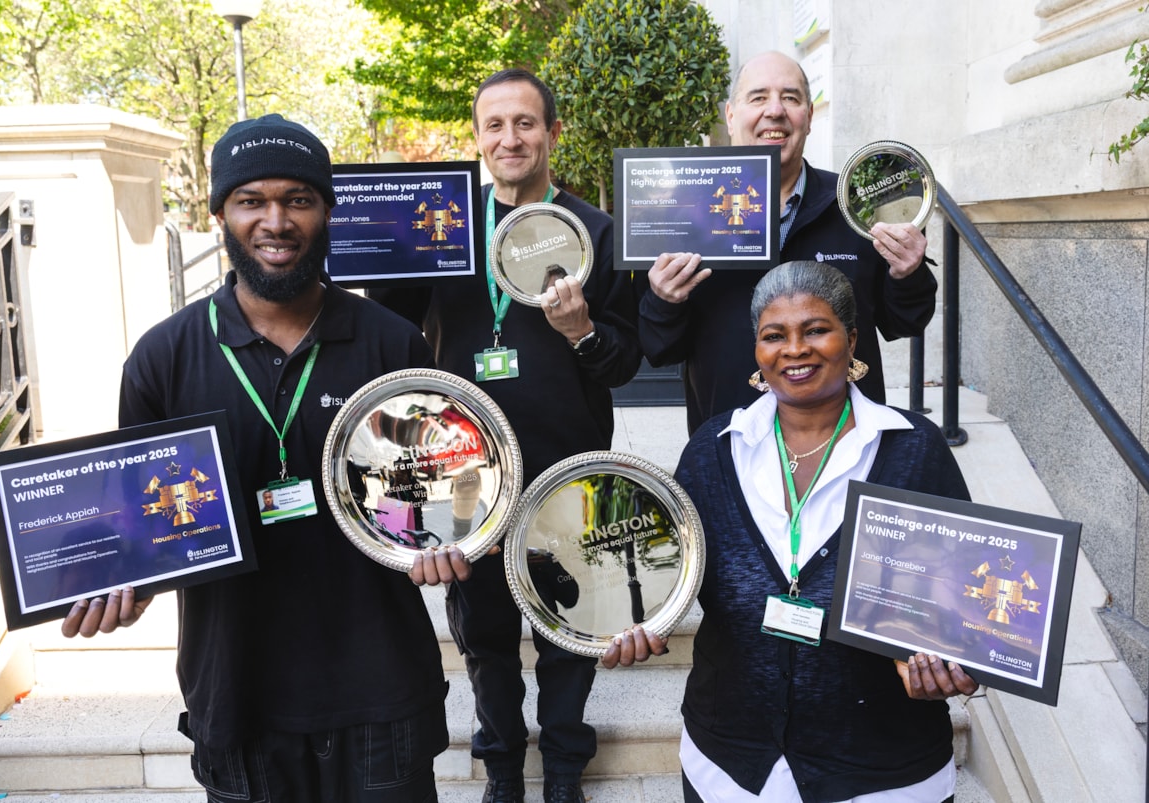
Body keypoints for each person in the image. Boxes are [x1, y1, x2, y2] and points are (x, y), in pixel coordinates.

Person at [60, 114, 470, 802]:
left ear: (327, 211)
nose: (275, 221)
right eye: (252, 200)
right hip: (237, 695)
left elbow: (438, 495)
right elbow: (149, 528)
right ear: (220, 211)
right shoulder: (163, 358)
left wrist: (445, 541)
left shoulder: (392, 343)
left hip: (380, 691)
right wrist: (127, 587)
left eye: (298, 199)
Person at [607, 260, 977, 801]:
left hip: (883, 770)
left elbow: (965, 600)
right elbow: (672, 576)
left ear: (852, 341)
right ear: (756, 350)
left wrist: (959, 663)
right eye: (774, 335)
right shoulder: (714, 449)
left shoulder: (913, 448)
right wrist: (639, 621)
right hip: (730, 766)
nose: (795, 349)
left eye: (816, 330)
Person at [370, 69, 641, 803]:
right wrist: (380, 245)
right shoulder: (447, 225)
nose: (509, 138)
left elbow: (625, 360)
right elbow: (387, 326)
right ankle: (501, 772)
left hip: (568, 465)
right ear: (479, 138)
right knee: (484, 634)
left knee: (569, 627)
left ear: (552, 134)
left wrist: (580, 330)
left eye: (525, 123)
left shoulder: (597, 232)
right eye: (495, 125)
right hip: (465, 472)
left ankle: (561, 774)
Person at [639, 51, 940, 435]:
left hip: (845, 444)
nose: (775, 110)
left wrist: (908, 273)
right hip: (728, 440)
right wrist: (664, 302)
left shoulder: (856, 206)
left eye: (791, 98)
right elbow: (659, 348)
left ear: (810, 117)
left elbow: (905, 322)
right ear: (731, 116)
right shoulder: (683, 213)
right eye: (759, 97)